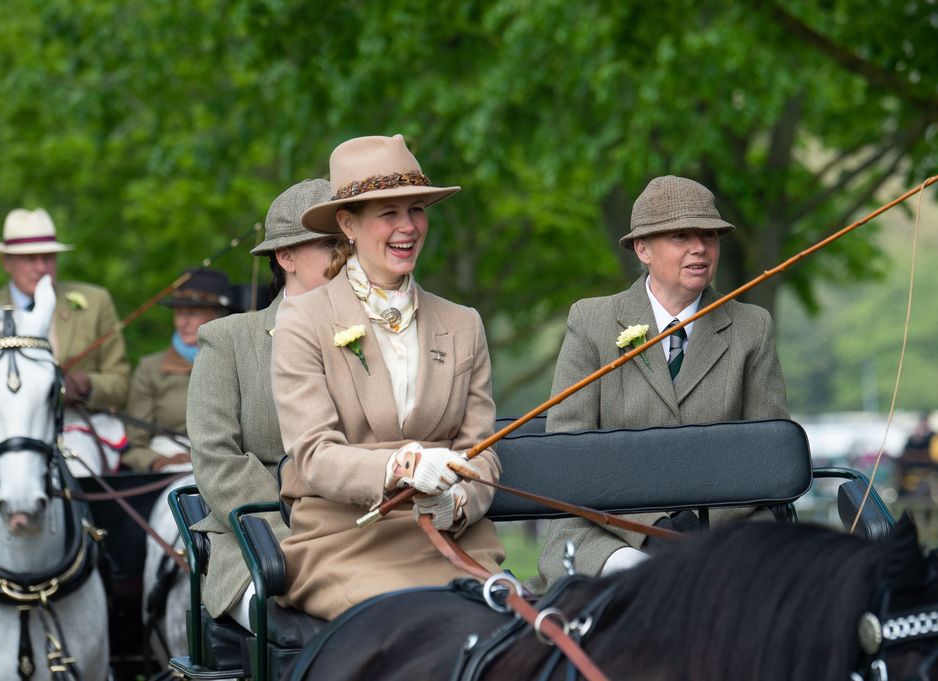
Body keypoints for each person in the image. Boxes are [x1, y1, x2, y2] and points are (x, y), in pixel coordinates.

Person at [271, 135, 506, 620]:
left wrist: (459, 503)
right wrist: (397, 466)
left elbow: (481, 452)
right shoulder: (303, 320)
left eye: (416, 209)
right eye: (388, 213)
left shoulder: (464, 324)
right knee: (409, 628)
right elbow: (313, 454)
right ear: (347, 224)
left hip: (452, 541)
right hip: (347, 542)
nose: (408, 227)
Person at [536, 175, 789, 589]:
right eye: (680, 236)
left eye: (709, 235)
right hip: (607, 537)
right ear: (642, 248)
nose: (700, 248)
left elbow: (766, 462)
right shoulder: (592, 321)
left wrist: (701, 527)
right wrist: (652, 529)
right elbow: (570, 455)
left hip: (724, 540)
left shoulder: (752, 328)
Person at [187, 179, 343, 630]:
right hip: (261, 538)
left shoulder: (375, 338)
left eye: (347, 243)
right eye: (328, 244)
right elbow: (217, 461)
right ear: (285, 256)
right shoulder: (229, 340)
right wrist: (304, 527)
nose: (343, 257)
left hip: (367, 533)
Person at [0, 208, 130, 408]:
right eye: (30, 258)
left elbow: (122, 383)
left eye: (48, 257)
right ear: (6, 262)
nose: (41, 267)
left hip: (79, 424)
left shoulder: (95, 302)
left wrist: (88, 385)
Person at [122, 268, 233, 472]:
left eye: (192, 313)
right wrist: (160, 461)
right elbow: (133, 445)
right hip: (171, 462)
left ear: (217, 316)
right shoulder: (151, 369)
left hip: (228, 459)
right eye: (179, 313)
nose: (183, 322)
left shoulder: (237, 363)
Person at [898, 413, 935, 496]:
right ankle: (903, 491)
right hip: (913, 466)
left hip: (927, 466)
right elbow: (905, 453)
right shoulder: (912, 439)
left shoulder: (932, 437)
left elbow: (932, 454)